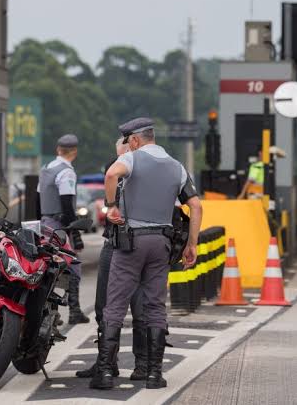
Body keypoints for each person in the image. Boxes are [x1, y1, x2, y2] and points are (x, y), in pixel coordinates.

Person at [90, 117, 202, 390]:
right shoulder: (177, 166)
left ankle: (104, 372)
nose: (128, 146)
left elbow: (110, 175)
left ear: (136, 140)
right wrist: (191, 244)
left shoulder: (132, 159)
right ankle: (154, 373)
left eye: (128, 141)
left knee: (115, 304)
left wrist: (112, 206)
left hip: (131, 242)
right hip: (161, 244)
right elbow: (196, 207)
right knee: (155, 306)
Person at [76, 137, 148, 381]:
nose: (122, 155)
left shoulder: (146, 169)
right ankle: (109, 362)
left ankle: (135, 364)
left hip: (133, 242)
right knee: (104, 307)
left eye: (125, 150)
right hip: (117, 241)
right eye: (120, 152)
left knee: (136, 307)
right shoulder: (119, 167)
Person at [37, 134, 89, 325]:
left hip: (44, 224)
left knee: (46, 267)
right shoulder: (66, 172)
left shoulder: (45, 170)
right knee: (73, 265)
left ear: (58, 150)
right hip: (58, 226)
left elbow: (37, 199)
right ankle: (74, 311)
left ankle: (48, 311)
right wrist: (74, 232)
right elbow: (67, 204)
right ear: (74, 152)